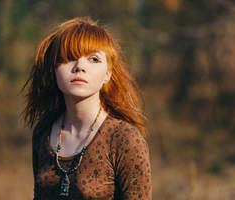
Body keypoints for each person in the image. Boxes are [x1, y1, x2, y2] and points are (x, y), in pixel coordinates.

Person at [22, 17, 152, 200]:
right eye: (68, 58)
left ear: (108, 73)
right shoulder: (43, 131)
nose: (80, 67)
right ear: (54, 69)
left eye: (93, 59)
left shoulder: (124, 139)